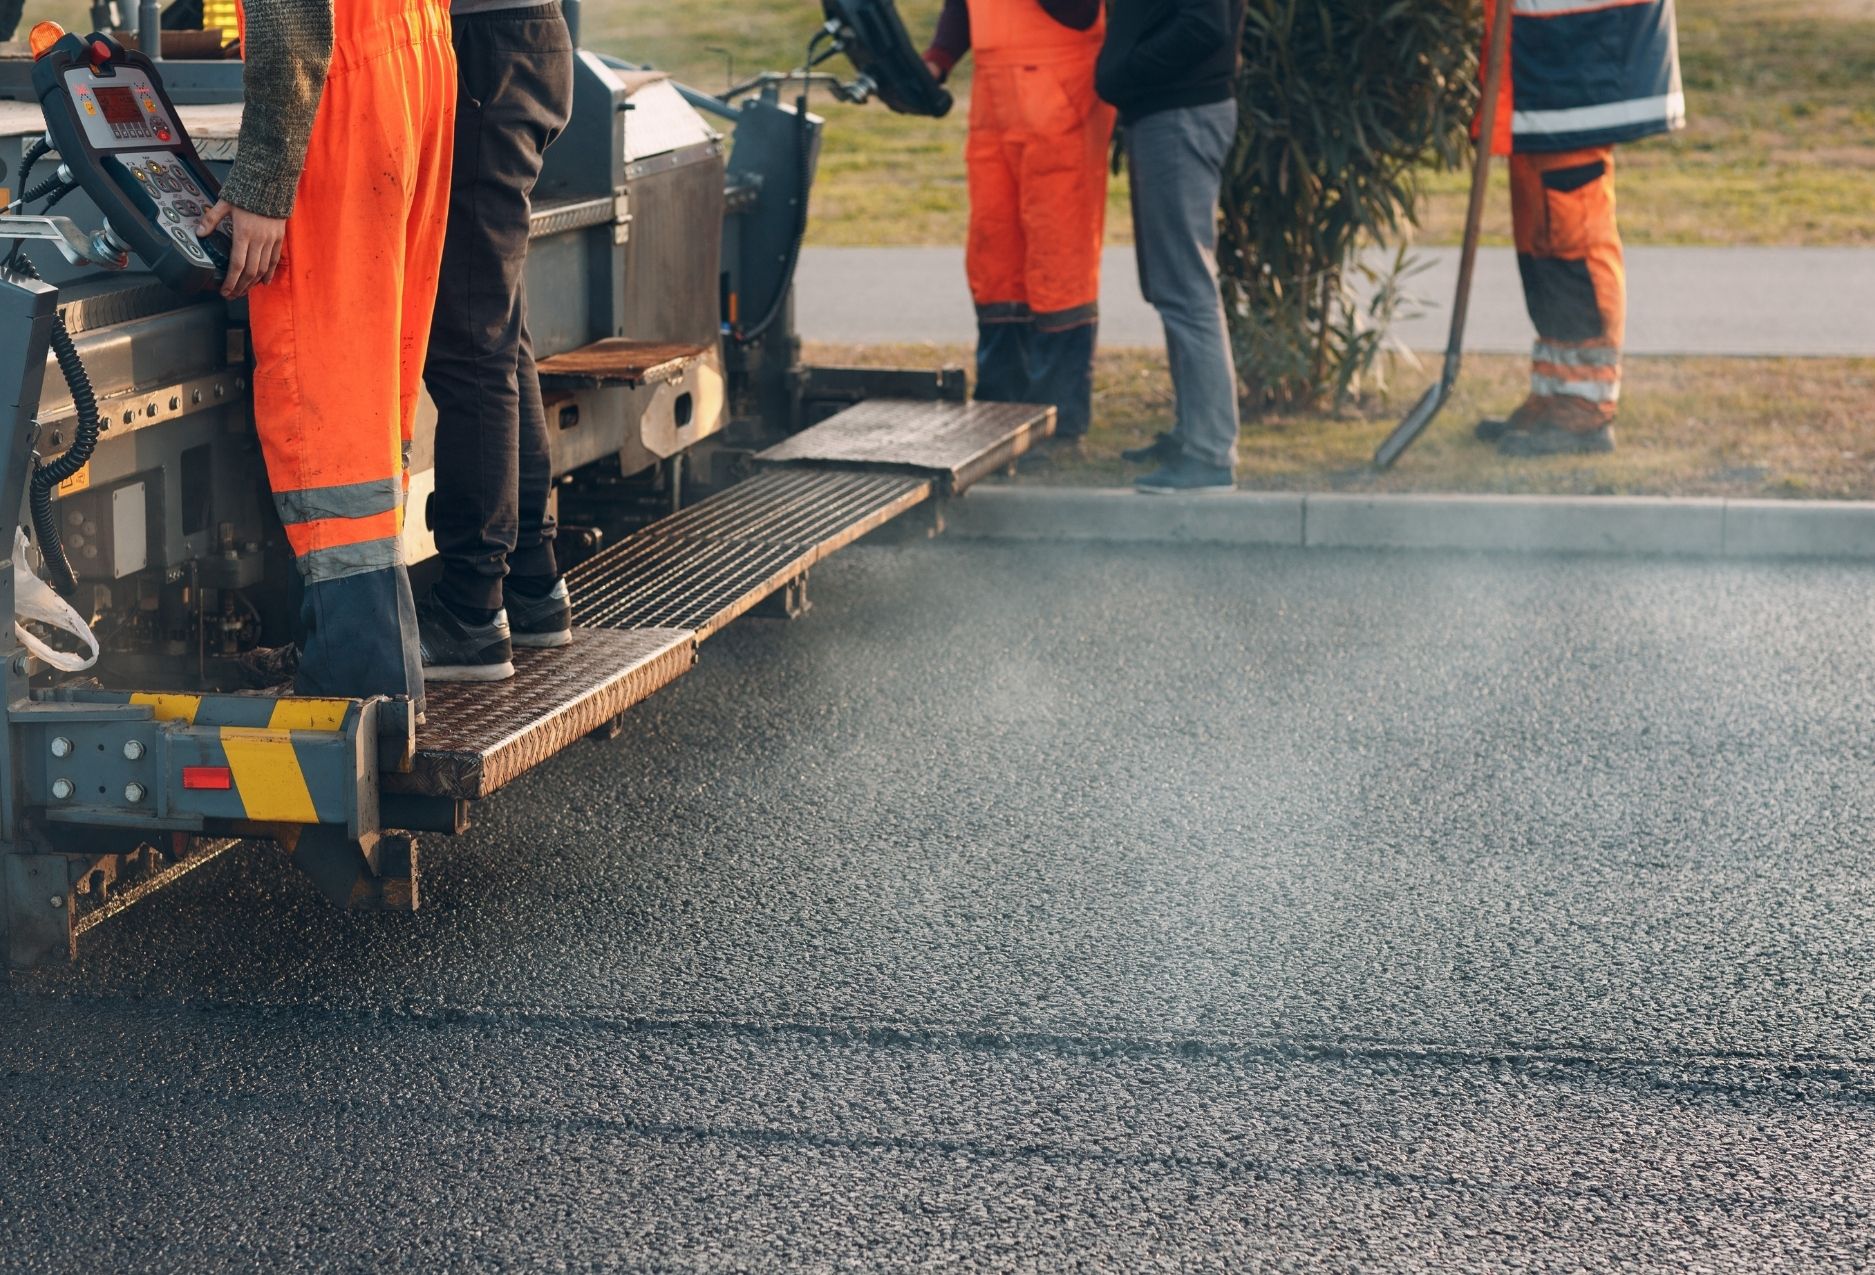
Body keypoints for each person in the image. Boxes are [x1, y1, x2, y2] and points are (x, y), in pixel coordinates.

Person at [201, 0, 456, 713]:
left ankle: (361, 691)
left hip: (344, 89)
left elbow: (290, 15)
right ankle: (363, 662)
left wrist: (261, 181)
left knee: (330, 421)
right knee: (376, 401)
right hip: (414, 57)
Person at [414, 0, 576, 682]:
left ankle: (472, 613)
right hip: (522, 38)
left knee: (471, 346)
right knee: (500, 340)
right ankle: (531, 585)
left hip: (482, 50)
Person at [1474, 0, 1684, 457]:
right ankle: (1555, 389)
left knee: (1573, 233)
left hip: (1583, 42)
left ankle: (1586, 406)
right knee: (1540, 227)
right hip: (1545, 41)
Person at [924, 0, 1113, 460]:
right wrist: (939, 58)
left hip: (1062, 91)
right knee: (995, 258)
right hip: (996, 95)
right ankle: (999, 407)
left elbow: (1081, 11)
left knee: (1060, 255)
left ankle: (1058, 419)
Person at [1097, 0, 1246, 495]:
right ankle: (1193, 436)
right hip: (1169, 109)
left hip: (1180, 110)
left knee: (1186, 286)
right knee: (1173, 284)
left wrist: (1129, 71)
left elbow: (1204, 25)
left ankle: (1209, 455)